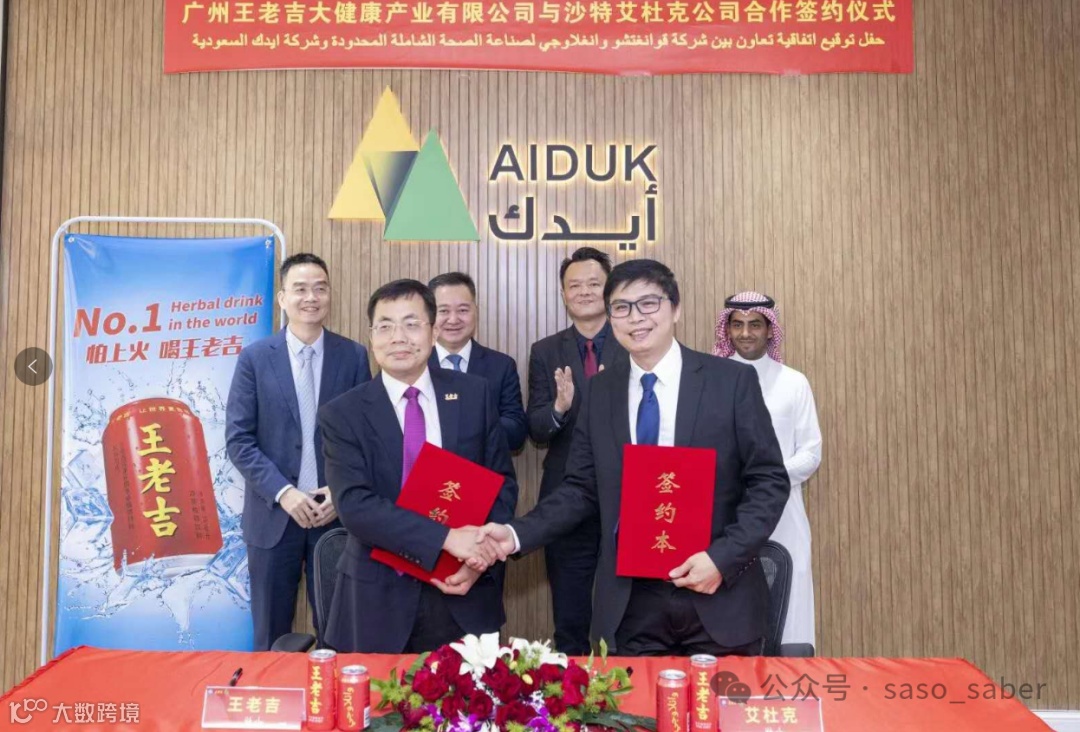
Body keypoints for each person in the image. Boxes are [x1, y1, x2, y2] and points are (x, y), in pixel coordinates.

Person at [474, 259, 790, 656]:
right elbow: (580, 489)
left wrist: (721, 559)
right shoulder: (600, 392)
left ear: (676, 309)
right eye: (622, 307)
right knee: (630, 699)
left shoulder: (730, 381)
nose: (635, 317)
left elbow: (768, 481)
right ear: (610, 317)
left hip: (718, 595)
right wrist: (516, 534)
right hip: (632, 606)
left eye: (649, 303)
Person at [318, 279, 518, 653]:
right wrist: (446, 538)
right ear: (371, 336)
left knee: (473, 694)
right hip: (378, 600)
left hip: (464, 590)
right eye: (385, 326)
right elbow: (355, 507)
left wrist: (480, 557)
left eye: (411, 324)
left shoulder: (474, 394)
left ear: (433, 330)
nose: (399, 337)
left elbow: (501, 483)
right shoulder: (342, 414)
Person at [226, 252, 371, 651]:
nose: (311, 297)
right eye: (301, 289)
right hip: (273, 516)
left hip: (333, 515)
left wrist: (340, 493)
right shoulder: (255, 358)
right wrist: (284, 492)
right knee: (270, 638)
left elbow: (365, 438)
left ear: (330, 295)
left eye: (320, 288)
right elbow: (239, 439)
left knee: (341, 634)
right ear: (282, 298)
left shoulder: (353, 356)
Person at [525, 247, 626, 655]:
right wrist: (559, 408)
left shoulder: (633, 342)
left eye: (593, 283)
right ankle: (571, 684)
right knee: (570, 610)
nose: (584, 292)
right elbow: (536, 428)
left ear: (609, 290)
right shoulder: (545, 350)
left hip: (626, 494)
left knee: (627, 608)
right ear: (564, 294)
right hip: (566, 493)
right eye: (575, 285)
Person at [715, 291, 822, 649]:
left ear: (770, 330)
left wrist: (765, 479)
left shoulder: (794, 382)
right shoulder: (712, 380)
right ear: (727, 330)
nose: (746, 333)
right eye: (737, 325)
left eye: (755, 325)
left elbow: (811, 453)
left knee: (788, 607)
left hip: (783, 513)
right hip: (727, 511)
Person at [427, 271, 528, 451]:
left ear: (476, 311)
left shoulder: (502, 366)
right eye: (443, 311)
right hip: (427, 467)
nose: (453, 319)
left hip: (483, 468)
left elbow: (516, 433)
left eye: (463, 310)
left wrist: (468, 426)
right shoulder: (415, 366)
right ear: (430, 314)